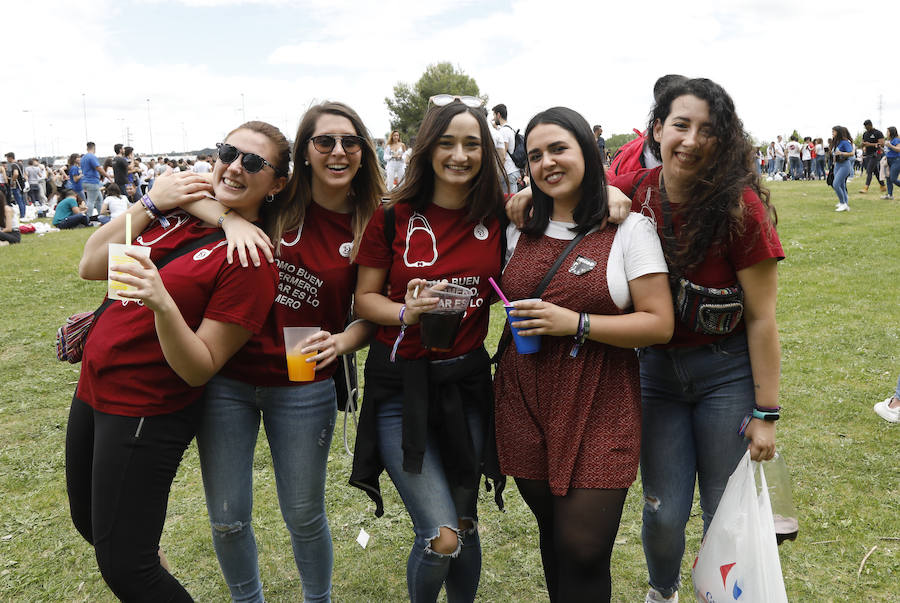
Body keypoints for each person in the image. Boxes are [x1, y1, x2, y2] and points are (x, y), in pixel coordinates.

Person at [65, 120, 285, 602]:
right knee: (90, 521)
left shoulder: (249, 258)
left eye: (253, 162)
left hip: (144, 405)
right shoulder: (177, 215)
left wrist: (163, 304)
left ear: (277, 184)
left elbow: (199, 366)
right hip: (95, 386)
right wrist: (149, 204)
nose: (234, 166)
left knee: (126, 567)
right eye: (228, 152)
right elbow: (91, 265)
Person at [186, 102, 382, 603]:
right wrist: (227, 222)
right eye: (324, 142)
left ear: (363, 151)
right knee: (228, 519)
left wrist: (343, 341)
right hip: (227, 376)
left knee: (303, 515)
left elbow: (370, 311)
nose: (338, 152)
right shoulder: (276, 200)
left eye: (350, 142)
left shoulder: (374, 220)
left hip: (304, 384)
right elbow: (188, 195)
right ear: (304, 151)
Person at [606, 77, 783, 603]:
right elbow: (570, 188)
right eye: (680, 125)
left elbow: (761, 319)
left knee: (722, 510)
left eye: (708, 130)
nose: (691, 139)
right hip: (655, 373)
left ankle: (718, 593)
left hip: (724, 373)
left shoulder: (740, 208)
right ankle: (663, 592)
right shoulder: (636, 192)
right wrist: (530, 193)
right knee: (663, 511)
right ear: (657, 129)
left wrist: (766, 413)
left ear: (722, 139)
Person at [493, 106, 673, 602]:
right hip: (524, 399)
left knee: (584, 547)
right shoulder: (516, 225)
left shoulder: (629, 229)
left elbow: (658, 323)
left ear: (588, 154)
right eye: (534, 156)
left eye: (558, 149)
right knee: (553, 537)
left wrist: (575, 323)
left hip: (599, 399)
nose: (547, 162)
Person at [349, 97, 507, 603]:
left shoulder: (499, 214)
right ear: (427, 148)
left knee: (466, 521)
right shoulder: (393, 216)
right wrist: (405, 313)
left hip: (467, 384)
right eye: (447, 143)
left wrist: (613, 196)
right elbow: (364, 298)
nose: (459, 155)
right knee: (441, 536)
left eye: (471, 144)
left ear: (487, 151)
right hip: (400, 384)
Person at [492, 103, 521, 195]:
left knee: (508, 203)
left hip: (507, 172)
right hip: (512, 170)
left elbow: (502, 155)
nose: (493, 118)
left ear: (498, 115)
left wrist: (498, 173)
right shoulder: (510, 129)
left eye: (494, 115)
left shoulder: (504, 131)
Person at [831, 125, 855, 212]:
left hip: (845, 165)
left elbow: (851, 153)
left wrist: (841, 153)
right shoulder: (837, 142)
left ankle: (843, 203)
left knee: (836, 184)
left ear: (838, 132)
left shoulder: (845, 142)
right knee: (842, 185)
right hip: (837, 165)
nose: (832, 133)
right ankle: (844, 203)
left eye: (834, 131)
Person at [859, 119, 886, 194]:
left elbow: (882, 144)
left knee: (869, 170)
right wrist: (863, 145)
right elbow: (863, 143)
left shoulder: (878, 133)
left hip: (876, 153)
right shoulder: (865, 134)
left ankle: (866, 187)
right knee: (876, 171)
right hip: (868, 154)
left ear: (871, 125)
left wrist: (869, 144)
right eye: (865, 127)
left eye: (867, 126)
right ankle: (883, 186)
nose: (866, 128)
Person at [81, 143, 106, 218]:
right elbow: (98, 168)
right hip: (92, 181)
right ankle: (88, 218)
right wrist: (108, 176)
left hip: (86, 181)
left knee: (99, 199)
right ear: (94, 148)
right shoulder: (92, 156)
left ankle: (100, 216)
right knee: (91, 201)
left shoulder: (83, 158)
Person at [881, 126, 900, 200]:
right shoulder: (890, 140)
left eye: (887, 132)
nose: (886, 133)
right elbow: (888, 151)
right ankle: (890, 195)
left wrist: (890, 145)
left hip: (896, 160)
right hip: (889, 160)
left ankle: (890, 194)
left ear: (891, 132)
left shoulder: (896, 140)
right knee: (888, 178)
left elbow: (898, 149)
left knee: (893, 179)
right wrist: (881, 148)